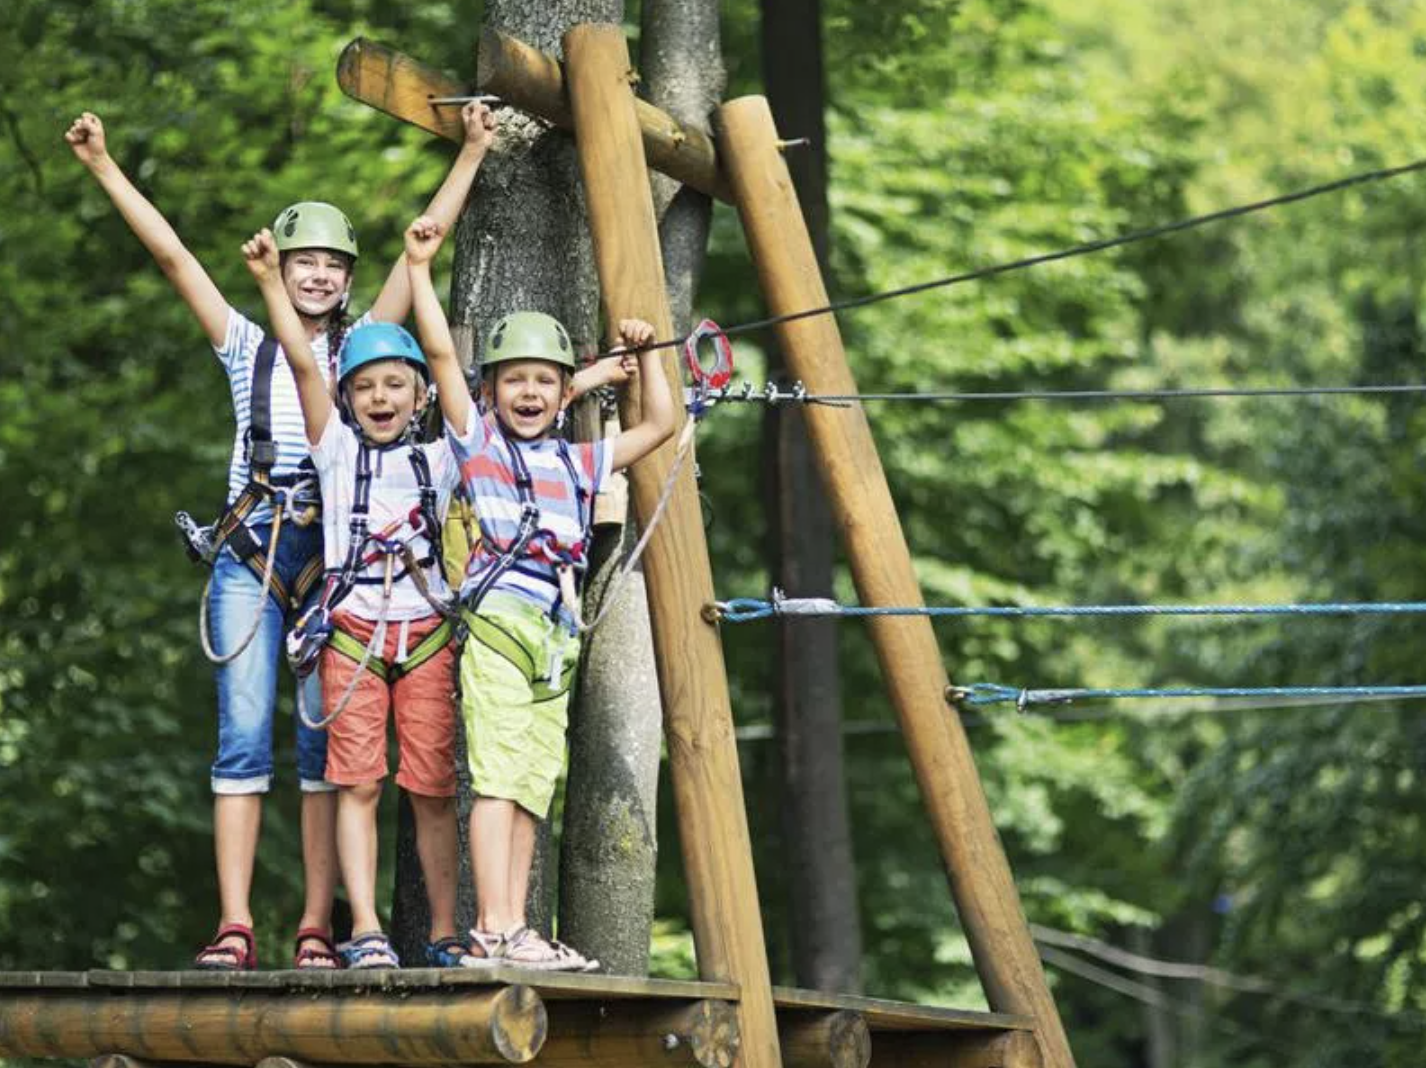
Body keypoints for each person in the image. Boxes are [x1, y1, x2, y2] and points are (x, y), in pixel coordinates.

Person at [66, 103, 496, 970]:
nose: (318, 276)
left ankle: (315, 925)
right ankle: (234, 923)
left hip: (336, 567)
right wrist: (105, 165)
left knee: (322, 753)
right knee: (240, 735)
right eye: (305, 262)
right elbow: (173, 258)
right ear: (284, 267)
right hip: (253, 552)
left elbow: (424, 251)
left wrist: (476, 151)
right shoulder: (248, 347)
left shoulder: (368, 353)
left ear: (346, 278)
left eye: (333, 264)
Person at [406, 215, 676, 970]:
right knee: (495, 776)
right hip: (498, 624)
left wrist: (647, 355)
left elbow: (659, 423)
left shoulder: (581, 461)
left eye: (545, 382)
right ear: (490, 391)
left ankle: (515, 925)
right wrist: (421, 271)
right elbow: (436, 353)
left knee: (531, 783)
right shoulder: (479, 443)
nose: (529, 392)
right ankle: (493, 925)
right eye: (514, 380)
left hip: (554, 638)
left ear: (564, 395)